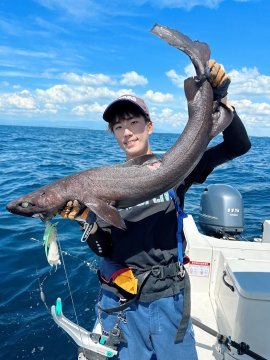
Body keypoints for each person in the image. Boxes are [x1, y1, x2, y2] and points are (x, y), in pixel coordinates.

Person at [61, 60, 251, 360]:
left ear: (148, 125)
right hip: (122, 303)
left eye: (133, 122)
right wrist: (86, 219)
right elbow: (104, 247)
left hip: (169, 299)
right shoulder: (103, 185)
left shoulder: (178, 167)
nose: (126, 132)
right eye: (118, 127)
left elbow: (238, 146)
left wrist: (221, 99)